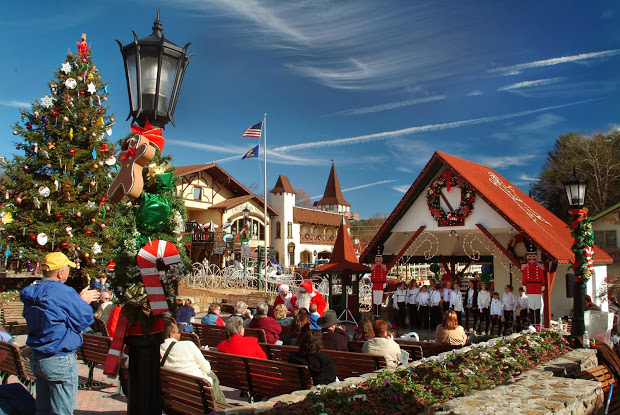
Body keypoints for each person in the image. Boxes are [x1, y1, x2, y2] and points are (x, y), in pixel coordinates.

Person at [20, 252, 99, 414]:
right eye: (67, 269)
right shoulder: (63, 292)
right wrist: (82, 302)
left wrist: (76, 301)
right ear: (60, 273)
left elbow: (54, 315)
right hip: (59, 358)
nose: (69, 273)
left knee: (43, 410)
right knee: (62, 411)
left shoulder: (32, 292)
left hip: (38, 358)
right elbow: (84, 319)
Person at [160, 322, 226, 403]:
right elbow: (206, 368)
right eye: (178, 332)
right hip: (199, 392)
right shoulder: (187, 344)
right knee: (213, 377)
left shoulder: (158, 350)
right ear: (171, 335)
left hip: (176, 395)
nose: (180, 334)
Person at [521, 246, 544, 326]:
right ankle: (532, 322)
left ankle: (537, 323)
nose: (531, 258)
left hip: (537, 287)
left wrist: (543, 284)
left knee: (537, 305)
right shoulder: (525, 266)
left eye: (533, 256)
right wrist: (524, 284)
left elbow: (541, 275)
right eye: (530, 256)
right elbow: (524, 276)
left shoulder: (539, 265)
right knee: (531, 305)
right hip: (529, 287)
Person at [370, 250, 387, 319]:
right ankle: (375, 314)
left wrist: (384, 282)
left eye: (379, 258)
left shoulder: (383, 267)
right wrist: (371, 282)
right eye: (377, 258)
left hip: (380, 285)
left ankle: (378, 314)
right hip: (375, 284)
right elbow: (372, 275)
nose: (378, 260)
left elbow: (384, 275)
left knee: (379, 300)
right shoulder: (373, 266)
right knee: (375, 300)